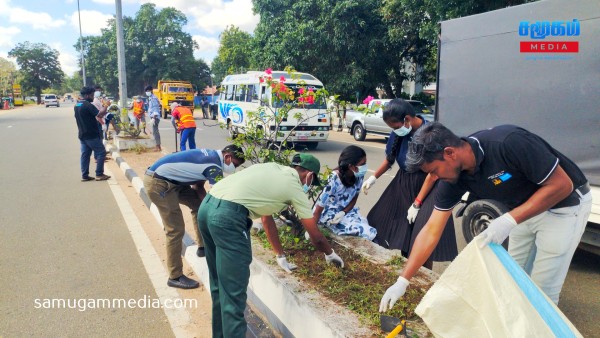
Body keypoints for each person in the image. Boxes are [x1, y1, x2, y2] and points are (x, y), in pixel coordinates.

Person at [379, 123, 592, 312]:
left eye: (434, 170)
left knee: (543, 291)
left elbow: (563, 185)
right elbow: (431, 229)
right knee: (514, 281)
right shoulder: (452, 178)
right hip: (523, 210)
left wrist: (509, 220)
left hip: (563, 207)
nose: (434, 178)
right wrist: (403, 280)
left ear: (450, 153)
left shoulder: (507, 142)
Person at [198, 153, 344, 338]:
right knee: (234, 296)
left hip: (206, 208)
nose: (308, 186)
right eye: (310, 182)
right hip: (227, 218)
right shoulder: (294, 187)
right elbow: (316, 236)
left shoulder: (271, 167)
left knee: (219, 285)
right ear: (309, 175)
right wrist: (330, 254)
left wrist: (280, 255)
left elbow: (267, 219)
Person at [362, 99, 456, 269]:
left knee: (423, 233)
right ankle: (407, 267)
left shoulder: (432, 133)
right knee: (386, 222)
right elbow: (390, 158)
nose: (395, 130)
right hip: (404, 181)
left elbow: (433, 174)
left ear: (407, 119)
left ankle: (423, 275)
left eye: (395, 126)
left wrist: (417, 203)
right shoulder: (399, 132)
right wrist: (373, 178)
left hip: (429, 186)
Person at [144, 145, 245, 289]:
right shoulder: (213, 165)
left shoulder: (210, 156)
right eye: (234, 164)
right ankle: (175, 276)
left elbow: (198, 188)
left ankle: (202, 247)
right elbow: (218, 196)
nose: (233, 168)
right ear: (227, 157)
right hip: (159, 184)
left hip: (172, 181)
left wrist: (207, 208)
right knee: (175, 230)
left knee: (199, 206)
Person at [312, 145, 377, 240]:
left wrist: (343, 212)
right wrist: (312, 231)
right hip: (330, 215)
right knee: (367, 232)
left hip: (346, 211)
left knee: (367, 224)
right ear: (351, 166)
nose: (365, 166)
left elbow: (354, 198)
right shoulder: (333, 179)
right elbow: (319, 208)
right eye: (362, 164)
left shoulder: (358, 175)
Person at [74, 86, 111, 182]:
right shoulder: (87, 105)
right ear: (87, 95)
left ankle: (84, 175)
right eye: (91, 95)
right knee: (101, 152)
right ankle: (99, 174)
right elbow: (100, 114)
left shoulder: (77, 105)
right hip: (91, 134)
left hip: (82, 134)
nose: (93, 97)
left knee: (85, 155)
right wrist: (106, 105)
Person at [145, 85, 162, 152]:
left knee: (155, 132)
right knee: (154, 132)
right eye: (146, 91)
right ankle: (157, 146)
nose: (147, 92)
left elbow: (155, 108)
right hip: (153, 117)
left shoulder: (153, 98)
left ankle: (158, 146)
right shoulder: (150, 98)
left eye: (148, 91)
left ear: (151, 90)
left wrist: (154, 118)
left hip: (155, 117)